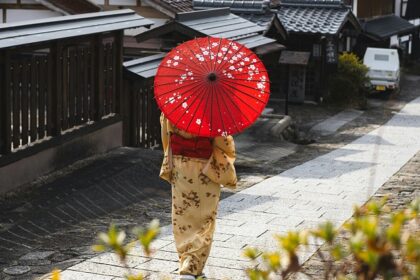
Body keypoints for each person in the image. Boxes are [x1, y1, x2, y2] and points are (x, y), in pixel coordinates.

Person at [159, 114, 237, 280]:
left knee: (182, 217)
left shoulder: (173, 107)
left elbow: (166, 136)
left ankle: (187, 262)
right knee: (205, 219)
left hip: (181, 165)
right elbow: (224, 143)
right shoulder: (214, 109)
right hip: (205, 167)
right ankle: (191, 267)